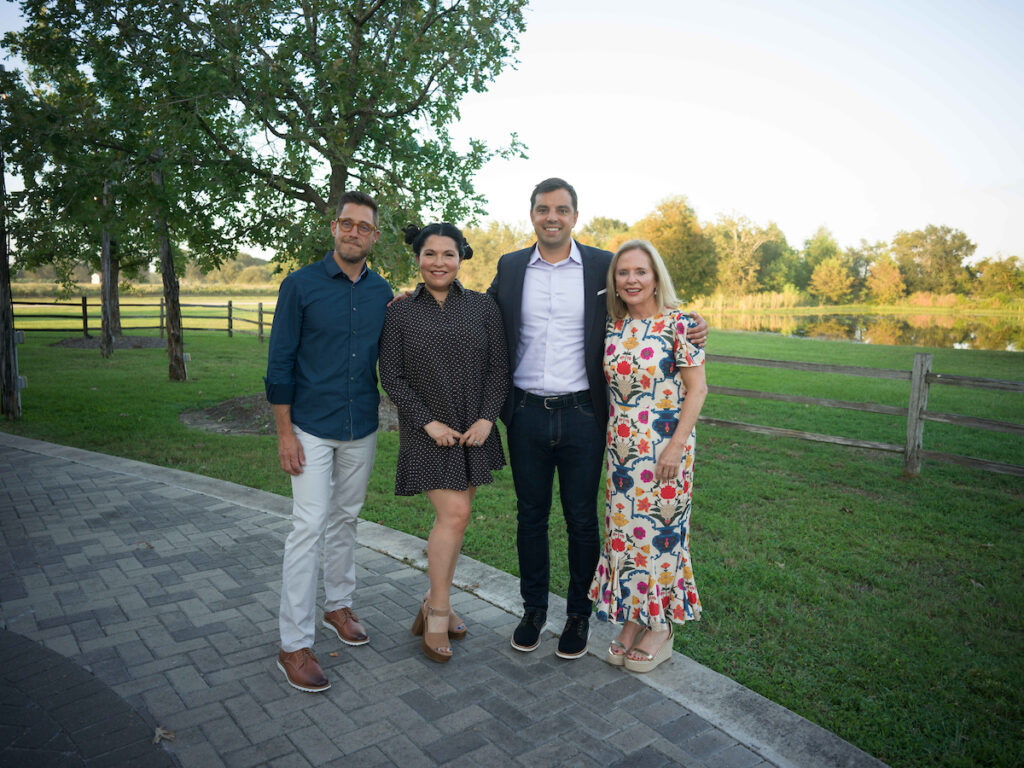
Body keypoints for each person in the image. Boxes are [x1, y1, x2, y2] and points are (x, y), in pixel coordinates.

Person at [488, 178, 708, 660]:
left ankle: (578, 616)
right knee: (530, 518)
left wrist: (692, 324)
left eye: (562, 209)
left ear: (574, 215)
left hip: (587, 416)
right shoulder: (509, 267)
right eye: (544, 209)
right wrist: (419, 298)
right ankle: (533, 611)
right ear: (532, 215)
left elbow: (650, 299)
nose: (552, 216)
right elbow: (479, 315)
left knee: (584, 520)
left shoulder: (601, 265)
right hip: (525, 412)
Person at [264, 190, 393, 692]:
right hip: (310, 428)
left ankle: (338, 605)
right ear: (334, 228)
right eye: (346, 223)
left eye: (364, 226)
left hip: (361, 425)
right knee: (308, 525)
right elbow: (279, 363)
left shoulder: (383, 292)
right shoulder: (300, 286)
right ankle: (293, 644)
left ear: (374, 236)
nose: (353, 232)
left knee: (346, 518)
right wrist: (283, 433)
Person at [379, 223, 509, 663]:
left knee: (456, 522)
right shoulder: (399, 312)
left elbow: (499, 369)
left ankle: (441, 603)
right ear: (418, 258)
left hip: (472, 431)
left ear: (461, 257)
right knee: (455, 513)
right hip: (428, 433)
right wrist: (427, 422)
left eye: (448, 254)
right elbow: (391, 376)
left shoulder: (483, 307)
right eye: (430, 254)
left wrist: (487, 419)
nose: (438, 262)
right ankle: (436, 612)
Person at [589, 239, 708, 673]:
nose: (632, 279)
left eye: (640, 271)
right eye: (623, 273)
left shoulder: (680, 325)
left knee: (661, 536)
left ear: (656, 277)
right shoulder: (611, 327)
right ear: (614, 283)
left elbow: (698, 389)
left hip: (666, 451)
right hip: (621, 452)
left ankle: (662, 626)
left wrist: (676, 445)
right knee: (624, 535)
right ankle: (631, 619)